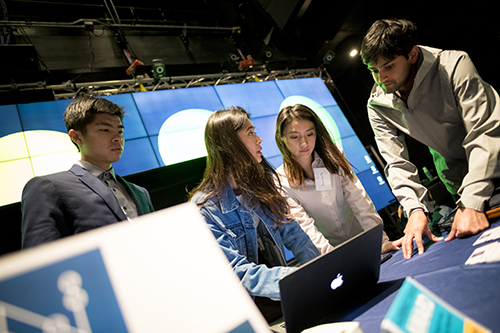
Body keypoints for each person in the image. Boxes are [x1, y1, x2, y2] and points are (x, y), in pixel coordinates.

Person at [360, 18, 500, 259]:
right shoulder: (377, 105)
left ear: (412, 54)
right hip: (458, 180)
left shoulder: (455, 64)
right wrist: (415, 208)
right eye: (374, 70)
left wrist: (472, 200)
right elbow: (396, 162)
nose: (381, 79)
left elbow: (483, 131)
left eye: (389, 66)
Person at [189, 107, 319, 307]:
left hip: (281, 303)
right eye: (250, 133)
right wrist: (299, 280)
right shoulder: (203, 208)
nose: (259, 140)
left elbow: (296, 237)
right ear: (230, 143)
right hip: (243, 311)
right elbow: (236, 272)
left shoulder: (260, 183)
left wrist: (321, 273)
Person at [21, 96, 155, 248]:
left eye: (120, 131)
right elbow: (40, 259)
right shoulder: (48, 187)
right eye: (105, 130)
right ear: (77, 137)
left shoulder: (140, 193)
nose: (117, 138)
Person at [275, 104, 401, 255]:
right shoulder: (281, 181)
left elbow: (358, 198)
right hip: (333, 252)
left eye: (310, 134)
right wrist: (335, 260)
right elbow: (306, 228)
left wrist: (380, 241)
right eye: (294, 137)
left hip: (365, 240)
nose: (304, 143)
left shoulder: (333, 155)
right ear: (281, 138)